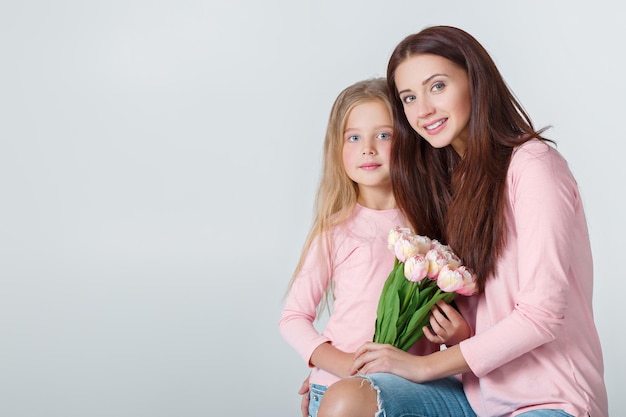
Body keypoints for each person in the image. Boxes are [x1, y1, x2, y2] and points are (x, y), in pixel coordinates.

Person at [316, 26, 608, 417]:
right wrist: (347, 377)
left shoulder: (533, 166)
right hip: (470, 396)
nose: (423, 110)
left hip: (548, 401)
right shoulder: (447, 185)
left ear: (475, 80)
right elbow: (467, 310)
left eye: (437, 87)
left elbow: (541, 316)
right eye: (409, 97)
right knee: (346, 400)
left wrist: (420, 367)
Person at [279, 77, 470, 417]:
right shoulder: (336, 230)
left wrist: (460, 334)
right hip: (339, 387)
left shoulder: (436, 228)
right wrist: (345, 366)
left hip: (410, 391)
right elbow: (293, 318)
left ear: (409, 142)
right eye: (353, 137)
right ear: (337, 148)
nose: (368, 148)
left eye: (383, 135)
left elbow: (463, 318)